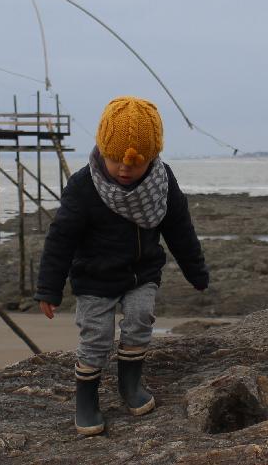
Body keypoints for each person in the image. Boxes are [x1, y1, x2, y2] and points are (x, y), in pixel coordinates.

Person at [35, 96, 209, 436]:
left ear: (153, 157)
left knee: (140, 319)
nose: (124, 169)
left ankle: (131, 385)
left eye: (136, 163)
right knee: (96, 337)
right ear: (103, 148)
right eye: (115, 160)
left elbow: (179, 229)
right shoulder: (84, 186)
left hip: (141, 273)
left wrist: (196, 271)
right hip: (94, 278)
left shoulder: (162, 182)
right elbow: (61, 238)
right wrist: (48, 288)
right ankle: (86, 399)